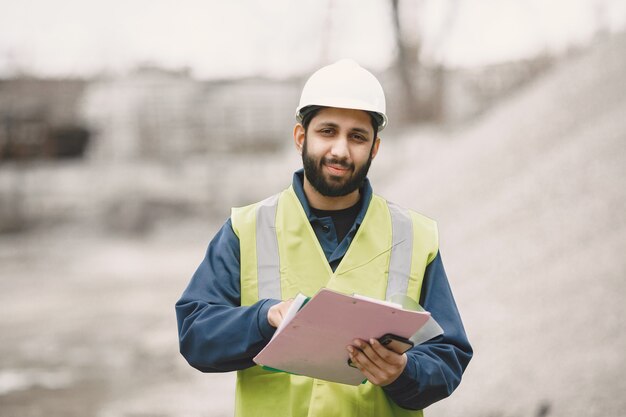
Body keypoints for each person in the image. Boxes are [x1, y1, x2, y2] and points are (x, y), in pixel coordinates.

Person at [176, 59, 472, 417]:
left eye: (357, 136)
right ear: (301, 136)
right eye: (328, 131)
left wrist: (404, 372)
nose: (340, 151)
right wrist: (264, 318)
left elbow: (448, 355)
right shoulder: (247, 228)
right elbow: (196, 334)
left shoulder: (413, 235)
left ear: (375, 147)